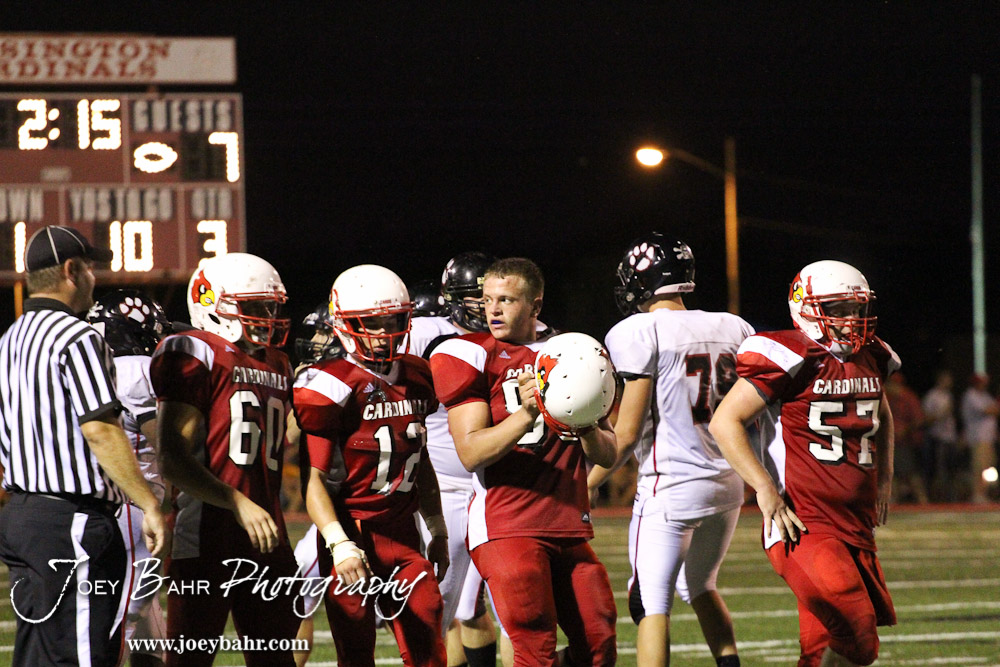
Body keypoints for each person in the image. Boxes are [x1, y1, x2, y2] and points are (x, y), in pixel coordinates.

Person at [429, 257, 618, 666]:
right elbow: (471, 452)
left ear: (535, 305)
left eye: (507, 300)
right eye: (487, 300)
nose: (493, 310)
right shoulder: (471, 354)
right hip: (507, 524)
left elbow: (608, 452)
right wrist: (528, 413)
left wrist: (585, 424)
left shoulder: (573, 351)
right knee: (535, 644)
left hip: (568, 523)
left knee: (599, 642)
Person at [709, 260, 898, 667]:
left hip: (855, 523)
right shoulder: (794, 355)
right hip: (803, 523)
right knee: (859, 636)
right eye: (839, 309)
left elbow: (882, 414)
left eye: (856, 309)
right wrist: (764, 488)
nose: (851, 319)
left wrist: (884, 478)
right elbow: (725, 421)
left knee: (819, 650)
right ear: (808, 309)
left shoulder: (873, 355)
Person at [0, 226, 169, 667]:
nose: (95, 278)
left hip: (21, 517)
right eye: (91, 267)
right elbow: (100, 430)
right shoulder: (78, 337)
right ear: (71, 270)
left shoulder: (9, 339)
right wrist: (148, 502)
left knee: (39, 656)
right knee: (83, 655)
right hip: (70, 520)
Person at [588, 234, 745, 667]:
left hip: (671, 486)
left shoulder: (639, 330)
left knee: (650, 602)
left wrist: (587, 482)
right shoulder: (733, 326)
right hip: (728, 484)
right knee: (700, 585)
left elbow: (626, 434)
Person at [293, 264, 449, 666]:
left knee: (428, 639)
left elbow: (420, 459)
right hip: (353, 530)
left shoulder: (417, 375)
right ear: (346, 325)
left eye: (392, 321)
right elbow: (314, 481)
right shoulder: (329, 384)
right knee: (356, 649)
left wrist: (437, 527)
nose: (384, 332)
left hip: (402, 531)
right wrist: (339, 543)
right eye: (372, 323)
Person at [150, 252, 300, 666]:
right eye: (254, 306)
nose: (267, 317)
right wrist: (236, 500)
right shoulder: (195, 350)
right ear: (211, 303)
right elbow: (172, 457)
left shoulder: (279, 363)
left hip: (266, 534)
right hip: (205, 534)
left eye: (269, 306)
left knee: (276, 661)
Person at [409, 252, 502, 667]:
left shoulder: (513, 334)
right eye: (476, 298)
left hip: (496, 485)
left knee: (498, 607)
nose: (486, 307)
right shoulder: (426, 332)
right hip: (443, 485)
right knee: (438, 605)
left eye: (492, 297)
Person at [87, 289, 174, 667]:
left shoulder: (94, 368)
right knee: (122, 622)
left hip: (106, 505)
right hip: (136, 510)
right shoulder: (138, 369)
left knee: (149, 640)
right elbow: (166, 444)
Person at [287, 302, 344, 667]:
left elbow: (288, 436)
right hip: (342, 503)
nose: (316, 341)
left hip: (353, 505)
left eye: (323, 332)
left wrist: (303, 390)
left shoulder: (337, 381)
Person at [884, 373, 928, 504]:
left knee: (910, 473)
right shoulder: (886, 398)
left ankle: (923, 500)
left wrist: (905, 430)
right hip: (889, 443)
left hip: (905, 443)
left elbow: (919, 420)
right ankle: (892, 502)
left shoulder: (908, 398)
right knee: (890, 474)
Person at [960, 373, 998, 504]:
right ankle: (977, 494)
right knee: (979, 467)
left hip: (988, 437)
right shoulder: (971, 395)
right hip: (978, 437)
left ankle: (983, 493)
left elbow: (995, 408)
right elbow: (987, 410)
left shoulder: (985, 395)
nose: (984, 385)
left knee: (987, 467)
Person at [922, 370, 960, 501]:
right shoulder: (932, 396)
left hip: (950, 437)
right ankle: (937, 498)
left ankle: (950, 497)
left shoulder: (948, 395)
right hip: (937, 438)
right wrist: (941, 415)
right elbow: (926, 418)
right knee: (938, 470)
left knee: (952, 469)